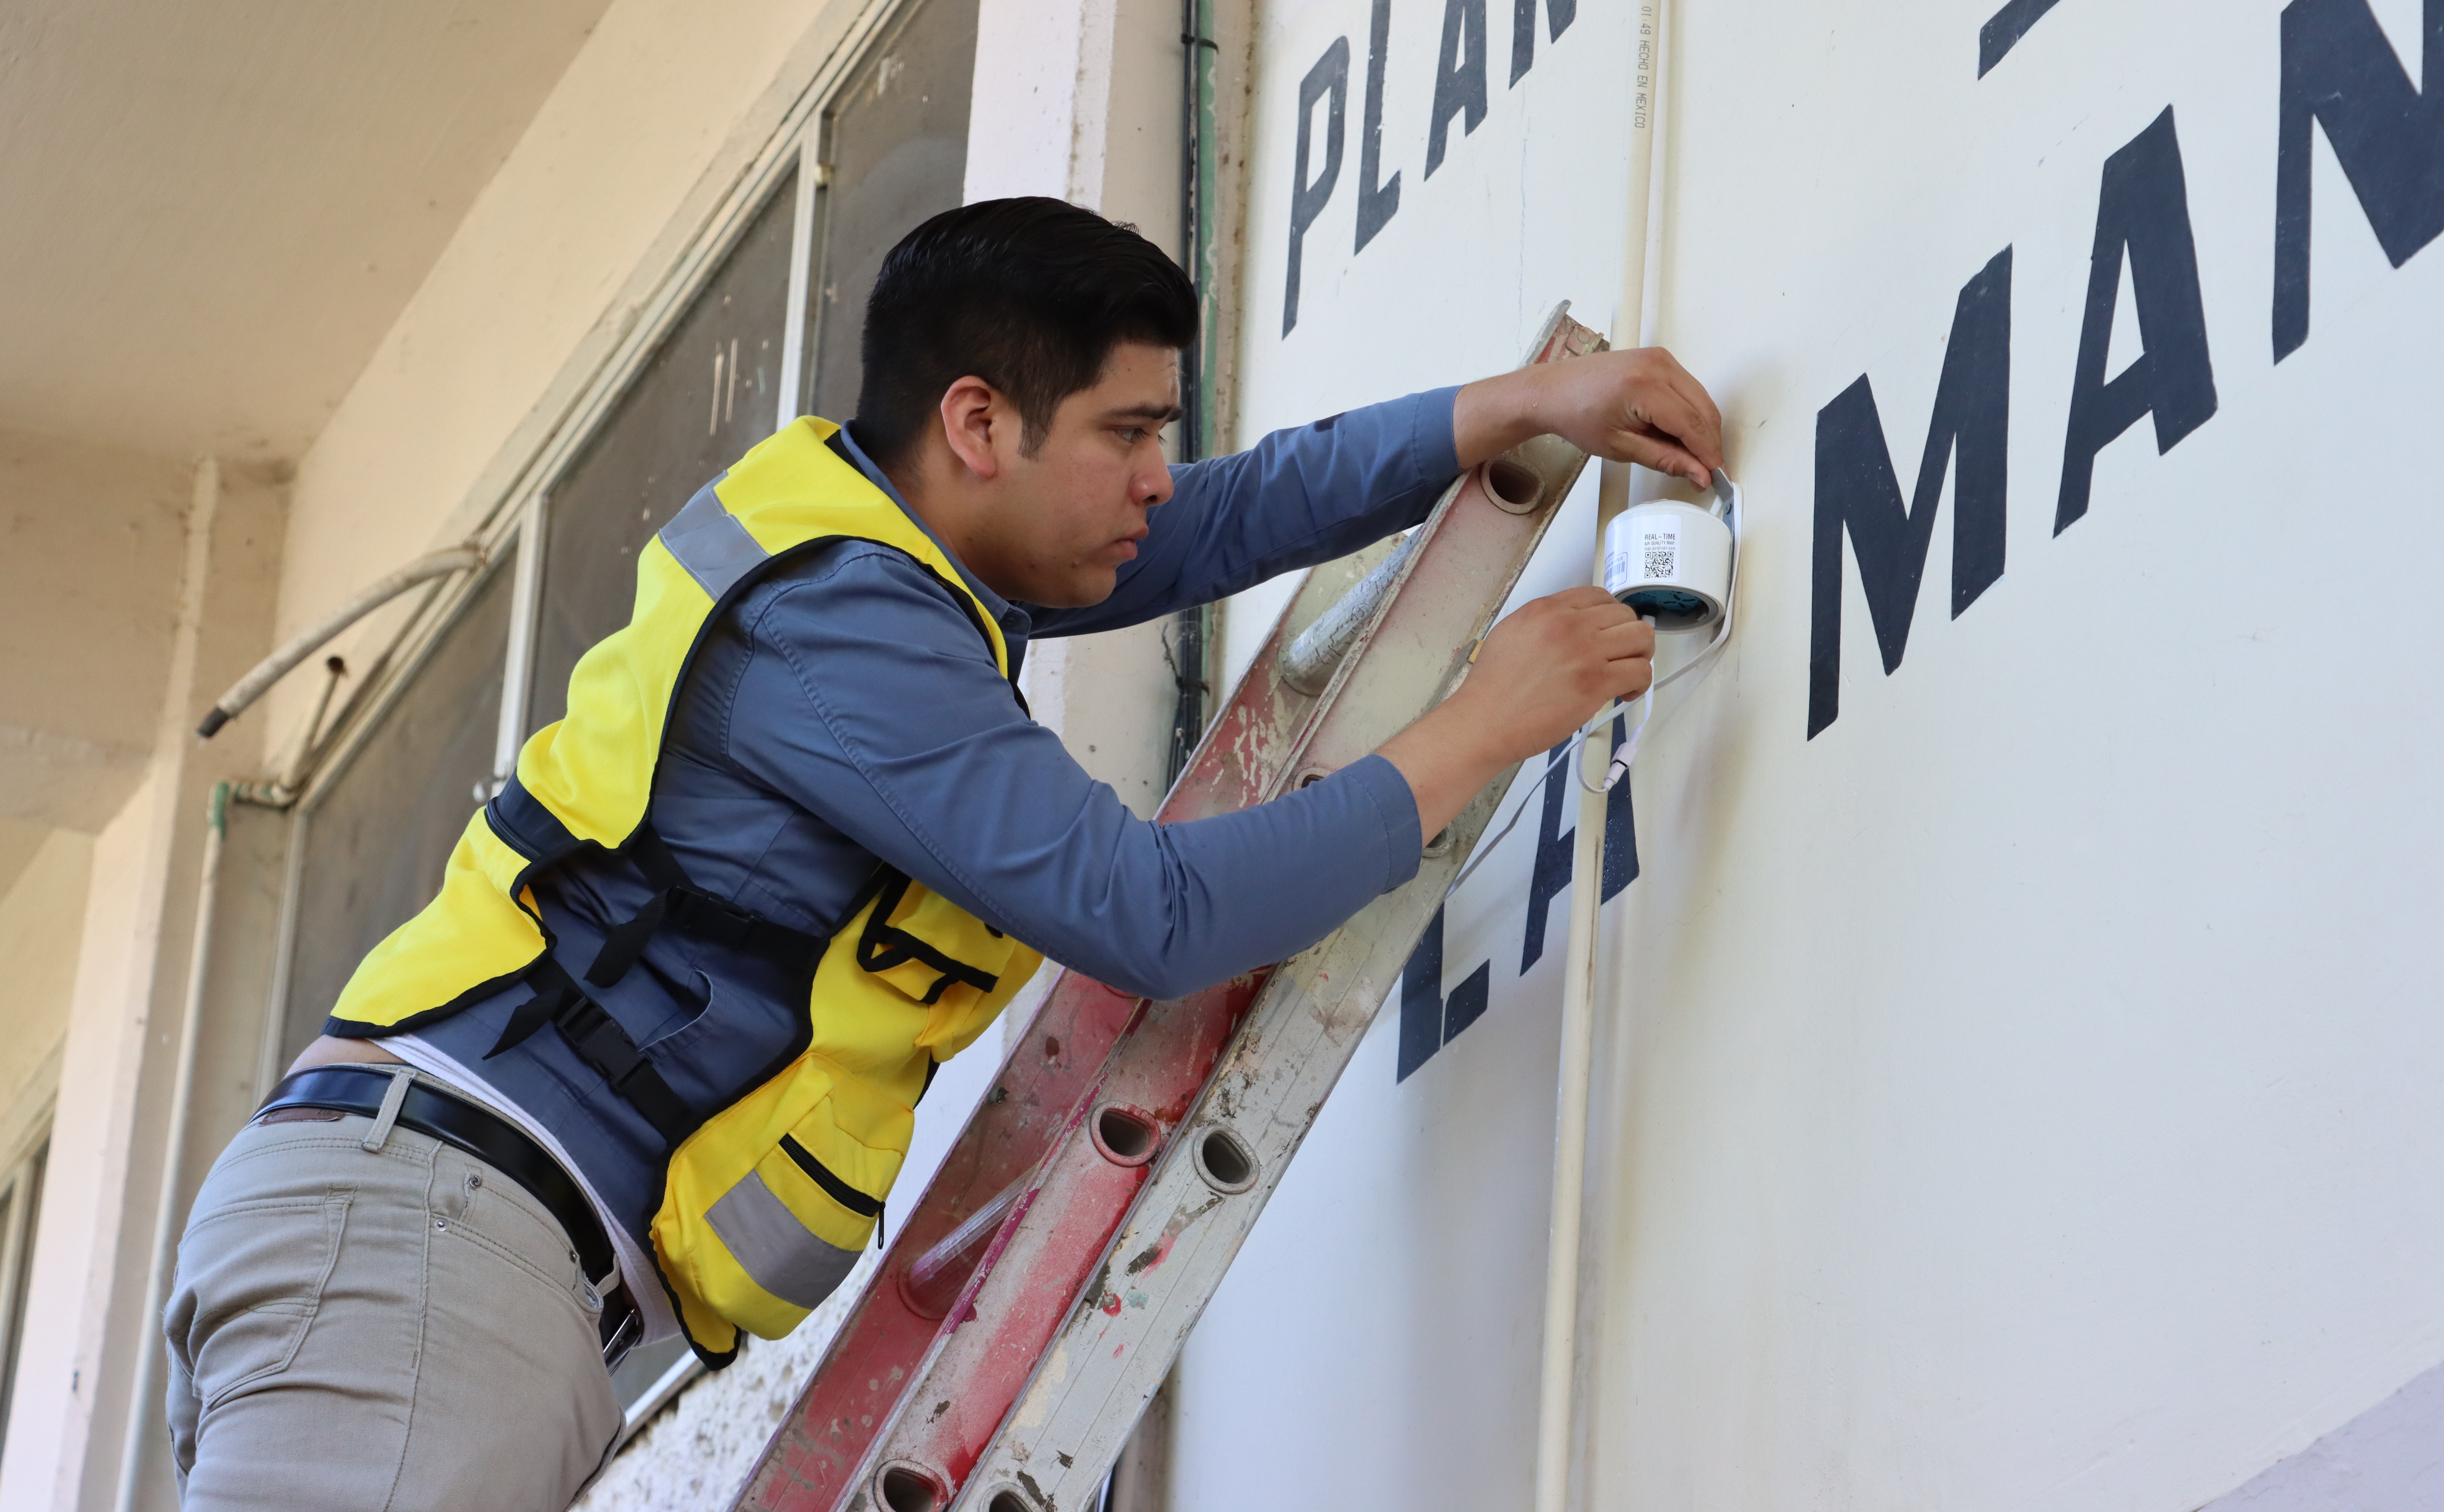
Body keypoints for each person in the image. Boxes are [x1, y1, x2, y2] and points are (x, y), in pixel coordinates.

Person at [161, 196, 1723, 1510]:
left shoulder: (872, 543)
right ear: (979, 421)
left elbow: (1220, 520)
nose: (1155, 477)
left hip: (448, 1250)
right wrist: (1487, 722)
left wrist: (1508, 412)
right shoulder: (847, 635)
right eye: (1125, 432)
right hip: (440, 1239)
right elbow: (1151, 911)